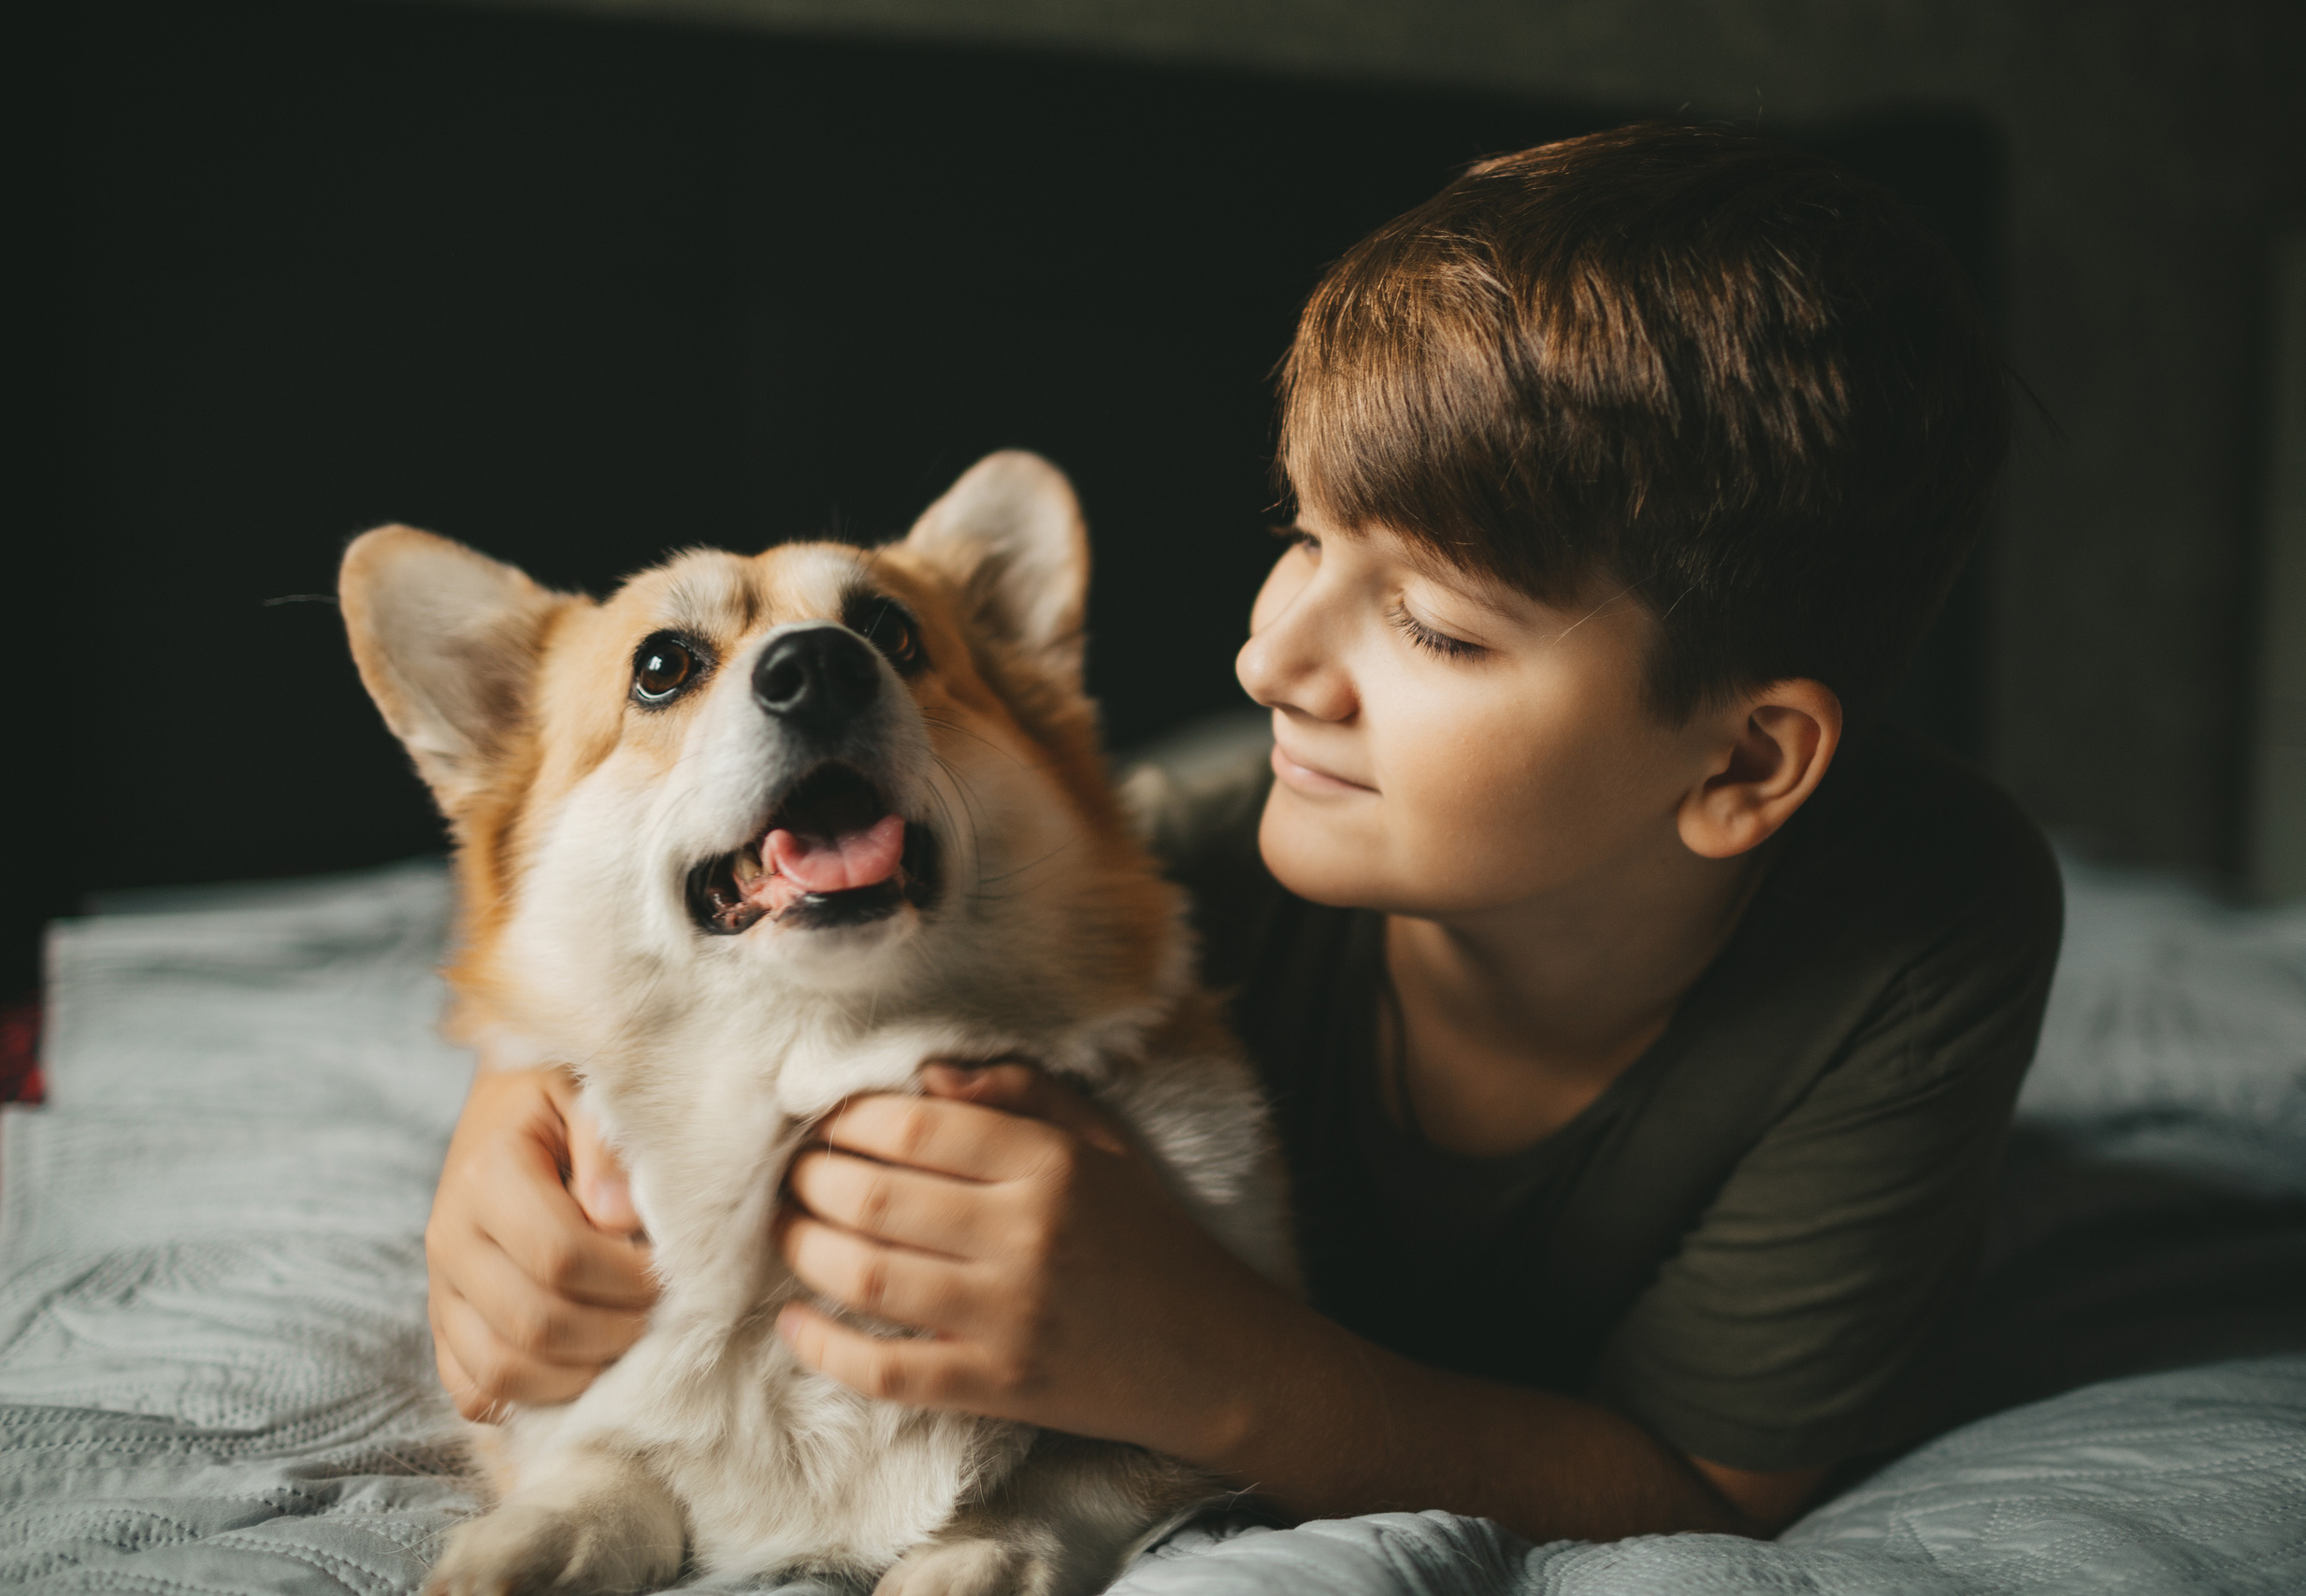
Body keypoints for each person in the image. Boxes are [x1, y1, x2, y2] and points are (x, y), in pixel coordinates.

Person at [421, 122, 2062, 1544]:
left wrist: (1214, 1366)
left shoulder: (1927, 935)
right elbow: (721, 943)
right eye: (1303, 534)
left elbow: (1709, 1499)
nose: (1269, 656)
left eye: (1432, 624)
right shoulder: (1189, 853)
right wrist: (513, 1109)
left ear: (1748, 762)